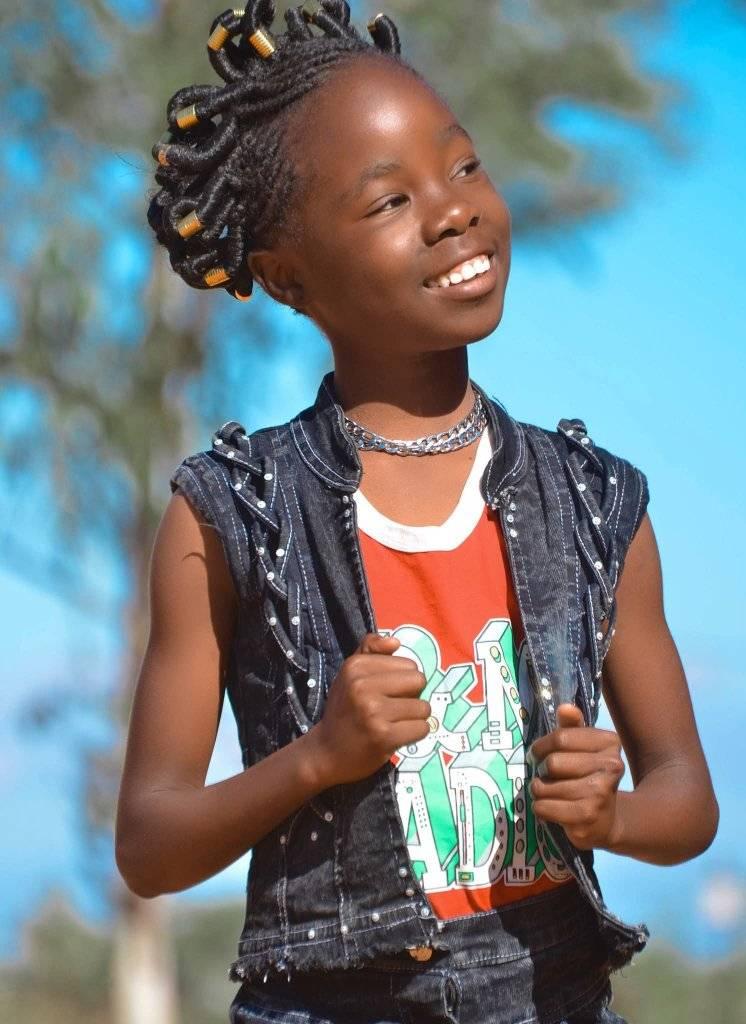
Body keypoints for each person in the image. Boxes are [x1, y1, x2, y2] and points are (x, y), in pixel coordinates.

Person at [115, 3, 719, 1022]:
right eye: (390, 199)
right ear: (287, 275)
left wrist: (609, 813)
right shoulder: (231, 515)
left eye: (465, 166)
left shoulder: (594, 499)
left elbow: (686, 803)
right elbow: (149, 846)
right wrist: (315, 759)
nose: (453, 211)